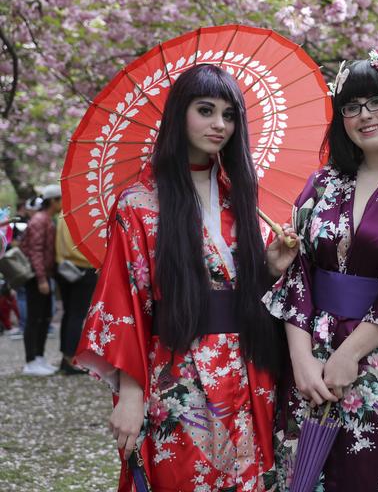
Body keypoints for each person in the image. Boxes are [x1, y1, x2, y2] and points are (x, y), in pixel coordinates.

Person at [75, 64, 297, 491]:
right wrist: (132, 394)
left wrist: (270, 268)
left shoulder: (244, 196)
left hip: (250, 368)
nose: (219, 125)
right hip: (178, 369)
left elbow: (259, 296)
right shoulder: (139, 203)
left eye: (229, 115)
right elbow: (126, 302)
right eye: (206, 110)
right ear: (179, 114)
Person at [263, 49, 378, 491]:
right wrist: (302, 362)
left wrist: (349, 354)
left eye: (377, 101)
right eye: (352, 106)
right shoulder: (321, 183)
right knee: (305, 476)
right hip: (312, 360)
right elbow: (298, 273)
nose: (365, 115)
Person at [19, 184, 62, 375]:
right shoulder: (39, 220)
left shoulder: (46, 219)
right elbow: (35, 252)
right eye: (61, 199)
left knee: (44, 318)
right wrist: (42, 279)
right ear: (53, 201)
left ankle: (39, 357)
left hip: (44, 276)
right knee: (34, 319)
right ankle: (30, 361)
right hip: (36, 278)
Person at [55, 214, 97, 374]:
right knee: (77, 315)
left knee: (69, 314)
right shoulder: (80, 214)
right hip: (82, 268)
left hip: (64, 268)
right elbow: (80, 245)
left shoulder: (63, 213)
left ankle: (65, 358)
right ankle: (71, 359)